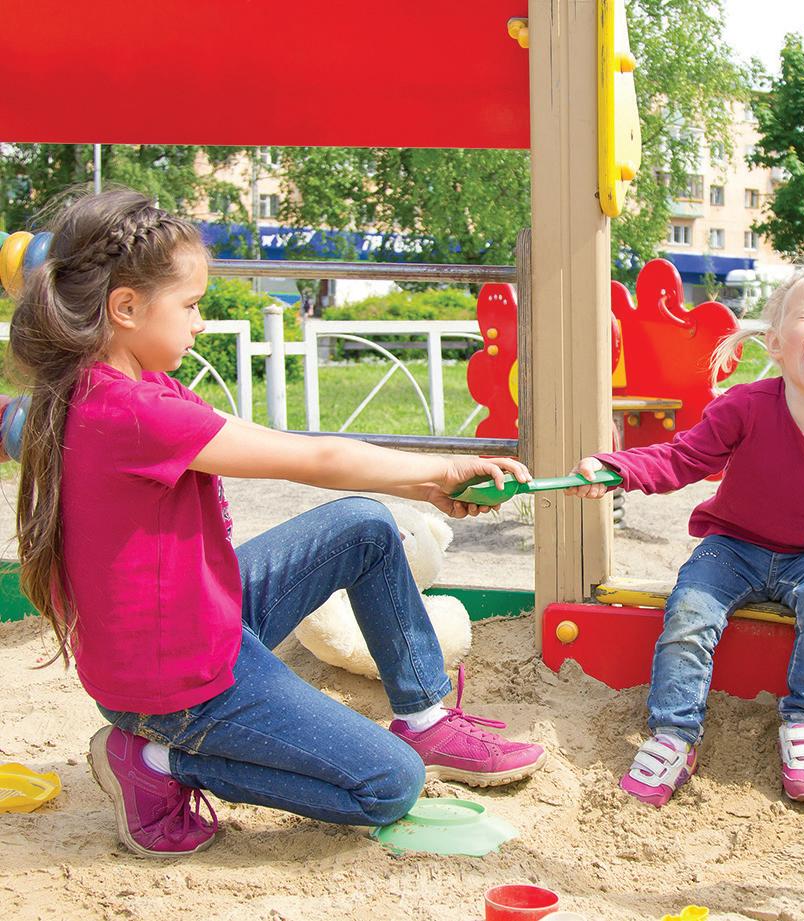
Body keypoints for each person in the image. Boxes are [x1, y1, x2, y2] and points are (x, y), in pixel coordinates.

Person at [9, 188, 545, 859]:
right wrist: (440, 470)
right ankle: (157, 761)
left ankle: (424, 716)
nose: (200, 322)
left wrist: (430, 485)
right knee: (389, 785)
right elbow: (310, 459)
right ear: (126, 307)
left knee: (365, 527)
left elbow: (285, 447)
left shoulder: (130, 387)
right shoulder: (130, 413)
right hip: (176, 687)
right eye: (191, 304)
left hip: (194, 623)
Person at [567, 259, 804, 807]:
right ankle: (674, 734)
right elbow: (684, 457)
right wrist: (617, 468)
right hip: (733, 548)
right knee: (689, 609)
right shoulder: (746, 406)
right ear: (776, 344)